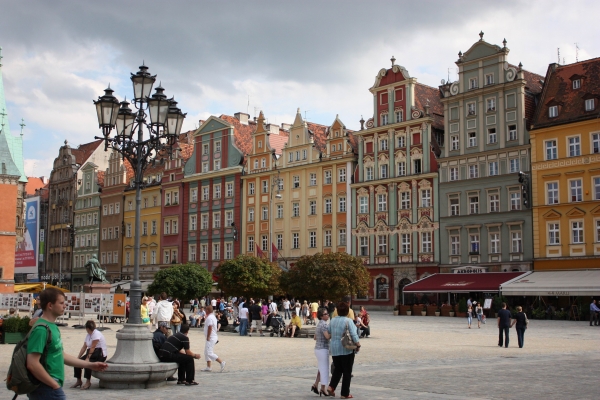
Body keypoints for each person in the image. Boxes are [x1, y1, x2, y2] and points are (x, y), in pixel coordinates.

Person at [26, 288, 108, 399]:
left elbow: (61, 355)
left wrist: (90, 365)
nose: (65, 306)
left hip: (51, 385)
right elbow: (32, 363)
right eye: (61, 303)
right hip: (46, 386)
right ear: (50, 305)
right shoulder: (41, 329)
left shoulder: (52, 327)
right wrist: (53, 385)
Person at [327, 301, 361, 399]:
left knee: (338, 368)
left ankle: (331, 386)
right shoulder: (348, 320)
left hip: (334, 348)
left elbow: (329, 331)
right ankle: (345, 393)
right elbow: (354, 334)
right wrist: (358, 344)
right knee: (347, 371)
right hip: (346, 348)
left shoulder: (333, 320)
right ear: (347, 311)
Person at [71, 320, 108, 390]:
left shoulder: (96, 334)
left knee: (88, 364)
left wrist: (88, 358)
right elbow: (84, 347)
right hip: (92, 353)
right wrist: (78, 357)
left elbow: (93, 347)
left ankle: (88, 382)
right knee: (77, 363)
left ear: (88, 328)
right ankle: (78, 380)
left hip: (99, 353)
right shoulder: (88, 335)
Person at [201, 305, 226, 373]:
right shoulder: (212, 316)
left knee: (209, 352)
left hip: (211, 337)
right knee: (206, 352)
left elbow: (210, 327)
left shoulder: (210, 318)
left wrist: (208, 336)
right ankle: (208, 367)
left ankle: (221, 362)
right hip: (211, 337)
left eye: (206, 310)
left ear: (208, 310)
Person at [312, 308, 331, 396]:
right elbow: (327, 336)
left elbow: (315, 337)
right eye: (325, 314)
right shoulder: (324, 324)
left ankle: (315, 384)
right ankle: (323, 388)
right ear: (321, 316)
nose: (328, 315)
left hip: (317, 348)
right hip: (323, 348)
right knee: (325, 369)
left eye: (327, 313)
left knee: (321, 368)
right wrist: (334, 332)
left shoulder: (319, 324)